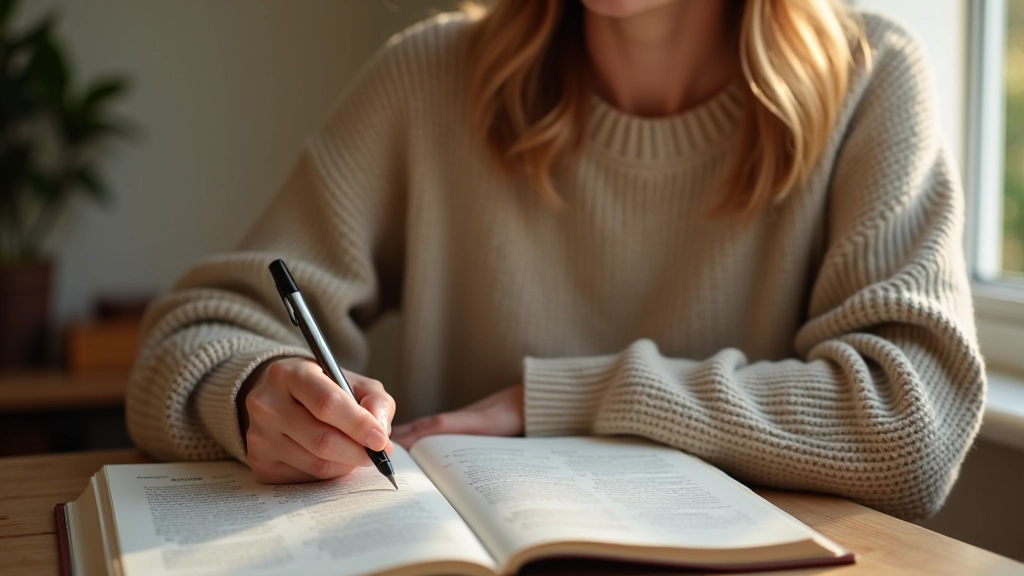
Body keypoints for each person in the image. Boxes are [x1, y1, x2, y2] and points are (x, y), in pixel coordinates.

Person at [126, 0, 985, 521]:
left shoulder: (870, 80)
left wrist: (557, 400)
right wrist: (254, 393)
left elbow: (914, 426)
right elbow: (189, 339)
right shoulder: (427, 80)